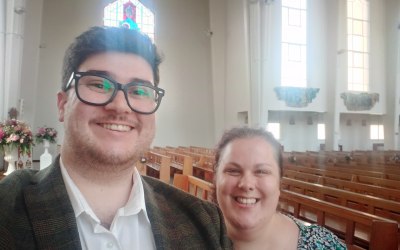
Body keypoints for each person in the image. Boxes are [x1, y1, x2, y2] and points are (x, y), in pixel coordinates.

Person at [0, 26, 232, 250]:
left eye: (139, 91)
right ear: (62, 105)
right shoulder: (7, 211)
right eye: (99, 84)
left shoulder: (204, 220)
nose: (120, 106)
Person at [213, 127, 347, 250]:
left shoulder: (322, 244)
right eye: (233, 170)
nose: (247, 184)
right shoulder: (192, 238)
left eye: (261, 171)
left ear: (279, 181)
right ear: (215, 178)